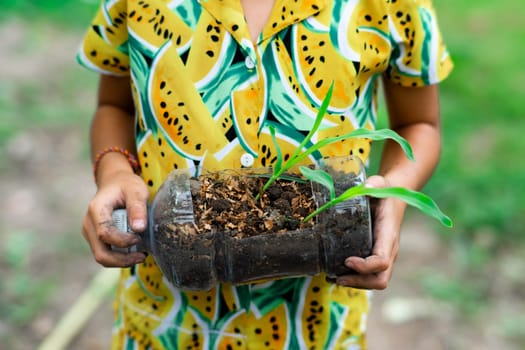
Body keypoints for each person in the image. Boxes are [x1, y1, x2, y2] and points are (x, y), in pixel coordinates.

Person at [78, 0, 452, 348]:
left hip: (316, 326)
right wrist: (113, 171)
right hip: (165, 322)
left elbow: (419, 123)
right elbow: (114, 104)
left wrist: (395, 192)